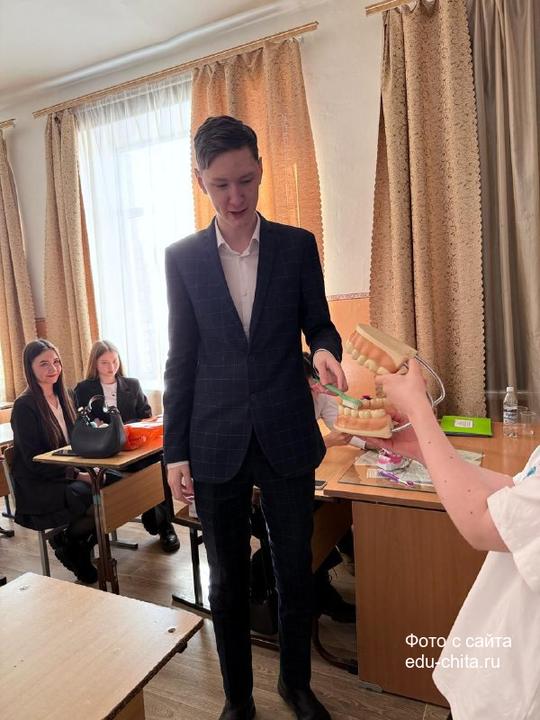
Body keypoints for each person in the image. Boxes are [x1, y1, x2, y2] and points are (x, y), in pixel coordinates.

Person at [164, 115, 347, 720]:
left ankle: (296, 685)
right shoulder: (183, 258)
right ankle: (237, 699)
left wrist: (325, 351)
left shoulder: (296, 245)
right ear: (200, 181)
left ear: (261, 169)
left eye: (245, 180)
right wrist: (174, 452)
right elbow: (181, 358)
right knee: (225, 581)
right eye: (221, 184)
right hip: (214, 439)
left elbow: (319, 324)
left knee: (295, 569)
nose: (236, 197)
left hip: (287, 432)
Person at [365, 359, 540, 720]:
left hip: (519, 688)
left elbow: (482, 524)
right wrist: (421, 447)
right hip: (500, 660)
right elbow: (517, 492)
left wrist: (419, 410)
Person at [74, 340, 180, 552]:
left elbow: (146, 416)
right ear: (95, 364)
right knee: (134, 476)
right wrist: (100, 426)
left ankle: (164, 525)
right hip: (104, 453)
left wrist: (127, 427)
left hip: (135, 448)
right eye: (105, 363)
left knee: (157, 465)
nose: (111, 367)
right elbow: (82, 422)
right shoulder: (84, 389)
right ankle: (155, 517)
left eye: (114, 361)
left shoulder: (132, 384)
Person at [10, 339, 97, 584]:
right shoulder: (24, 406)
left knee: (113, 485)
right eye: (44, 364)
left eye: (56, 362)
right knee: (91, 495)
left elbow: (75, 440)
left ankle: (70, 542)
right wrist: (78, 475)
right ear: (30, 368)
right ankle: (73, 544)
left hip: (66, 472)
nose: (53, 368)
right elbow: (34, 461)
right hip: (39, 482)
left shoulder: (66, 394)